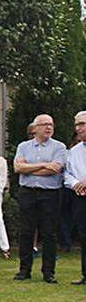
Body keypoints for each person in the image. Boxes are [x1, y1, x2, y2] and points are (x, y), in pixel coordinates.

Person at [13, 114, 67, 283]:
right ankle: (24, 270)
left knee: (49, 233)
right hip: (28, 192)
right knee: (26, 232)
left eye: (51, 124)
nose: (48, 127)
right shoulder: (24, 146)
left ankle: (48, 272)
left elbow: (55, 169)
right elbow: (18, 167)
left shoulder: (59, 147)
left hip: (49, 194)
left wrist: (29, 169)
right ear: (35, 128)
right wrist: (44, 164)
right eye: (44, 124)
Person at [62, 111, 86, 284]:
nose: (79, 128)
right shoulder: (74, 151)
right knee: (84, 235)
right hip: (80, 197)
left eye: (82, 124)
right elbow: (67, 174)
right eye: (77, 125)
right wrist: (76, 184)